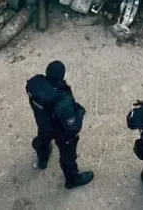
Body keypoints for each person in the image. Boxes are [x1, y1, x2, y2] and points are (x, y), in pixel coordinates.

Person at [25, 60, 94, 189]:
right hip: (59, 130)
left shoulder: (34, 85)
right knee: (67, 153)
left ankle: (43, 160)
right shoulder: (63, 100)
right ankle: (72, 179)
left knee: (43, 139)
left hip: (43, 122)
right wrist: (80, 111)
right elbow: (73, 126)